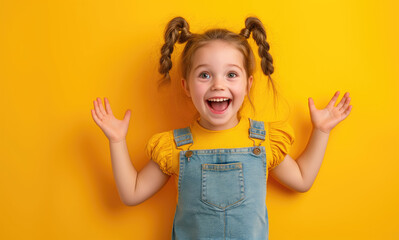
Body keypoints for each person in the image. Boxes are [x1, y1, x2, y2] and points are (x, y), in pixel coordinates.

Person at [91, 16, 352, 240]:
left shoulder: (263, 141)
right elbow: (132, 193)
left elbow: (303, 180)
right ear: (186, 86)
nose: (218, 84)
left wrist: (321, 131)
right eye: (204, 75)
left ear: (248, 84)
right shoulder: (175, 146)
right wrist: (117, 141)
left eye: (231, 74)